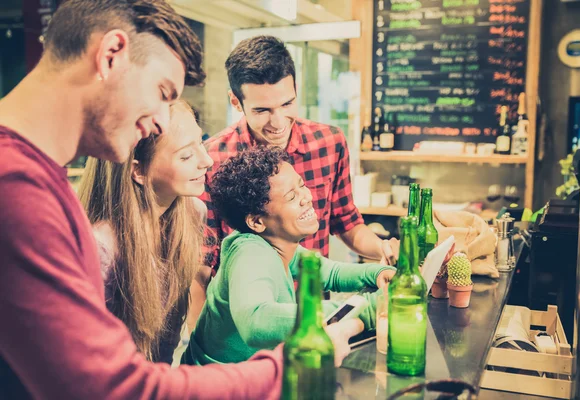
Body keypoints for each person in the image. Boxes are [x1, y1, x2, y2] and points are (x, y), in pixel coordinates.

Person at [0, 1, 332, 398]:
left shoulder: (38, 180)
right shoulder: (16, 189)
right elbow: (110, 387)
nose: (160, 120)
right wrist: (289, 365)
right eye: (161, 92)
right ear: (111, 55)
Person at [190, 34, 399, 323]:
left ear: (296, 89)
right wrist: (200, 344)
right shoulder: (211, 158)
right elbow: (199, 268)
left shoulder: (329, 143)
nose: (277, 123)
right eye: (262, 110)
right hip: (245, 320)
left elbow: (347, 224)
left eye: (286, 104)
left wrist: (384, 249)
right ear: (235, 102)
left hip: (312, 313)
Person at [181, 147, 396, 366]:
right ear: (256, 222)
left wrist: (378, 273)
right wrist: (369, 308)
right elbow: (257, 322)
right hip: (217, 386)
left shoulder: (278, 245)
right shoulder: (249, 253)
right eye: (291, 196)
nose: (306, 197)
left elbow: (330, 272)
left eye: (301, 185)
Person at [78, 100, 213, 364]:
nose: (206, 161)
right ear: (138, 169)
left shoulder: (193, 213)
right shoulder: (100, 248)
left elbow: (167, 340)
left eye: (202, 143)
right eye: (186, 156)